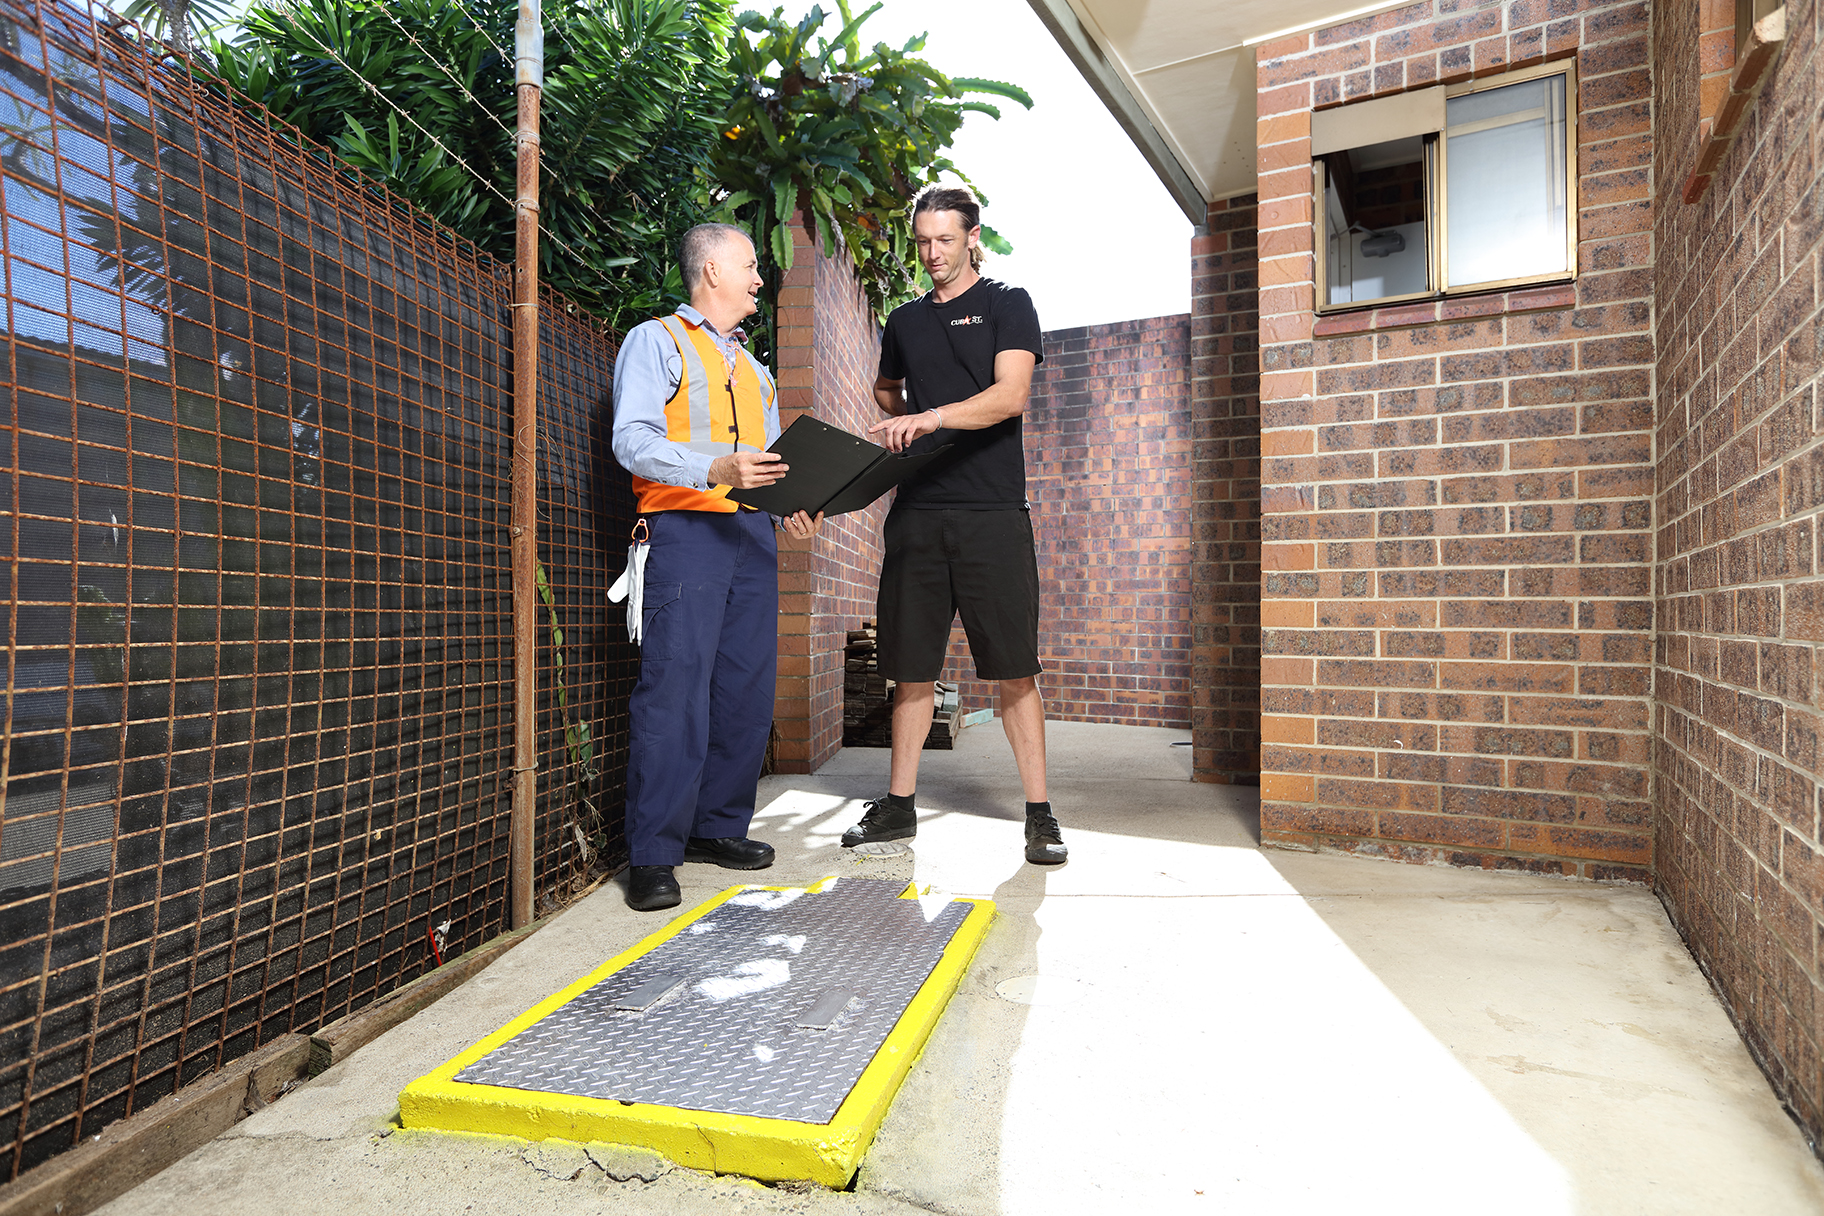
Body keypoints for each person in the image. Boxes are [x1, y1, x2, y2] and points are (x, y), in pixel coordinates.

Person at [839, 186, 1066, 865]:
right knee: (909, 666)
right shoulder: (905, 322)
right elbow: (885, 391)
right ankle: (899, 808)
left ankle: (1040, 814)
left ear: (973, 237)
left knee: (1014, 668)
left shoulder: (1007, 304)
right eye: (923, 242)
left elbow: (1009, 396)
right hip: (916, 513)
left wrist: (930, 415)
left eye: (945, 240)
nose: (932, 253)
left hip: (992, 512)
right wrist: (906, 413)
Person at [610, 223, 822, 911]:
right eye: (751, 266)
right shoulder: (656, 341)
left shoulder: (756, 373)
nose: (761, 278)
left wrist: (791, 505)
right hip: (684, 532)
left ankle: (717, 828)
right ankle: (653, 854)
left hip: (752, 538)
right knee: (674, 692)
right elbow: (632, 440)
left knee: (745, 692)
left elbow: (761, 467)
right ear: (710, 270)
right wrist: (713, 467)